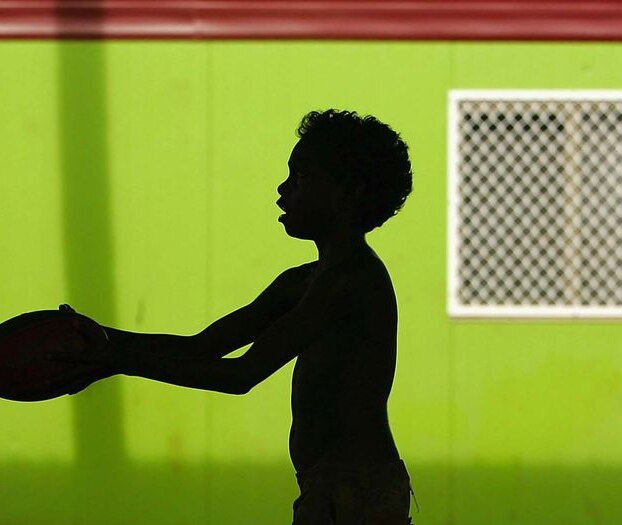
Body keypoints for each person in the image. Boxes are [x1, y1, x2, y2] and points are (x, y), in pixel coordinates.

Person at [50, 109, 418, 524]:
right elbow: (203, 345)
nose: (282, 190)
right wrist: (96, 336)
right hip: (333, 489)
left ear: (349, 192)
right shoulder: (304, 281)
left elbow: (241, 374)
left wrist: (118, 360)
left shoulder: (349, 281)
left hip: (358, 494)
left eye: (300, 177)